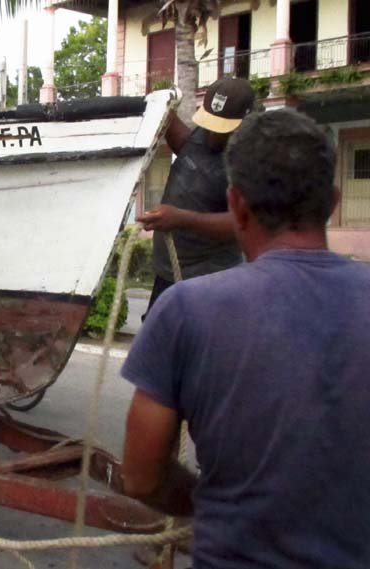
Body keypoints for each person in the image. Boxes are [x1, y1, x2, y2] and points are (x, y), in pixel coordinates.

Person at [120, 109, 370, 568]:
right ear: (333, 202)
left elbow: (139, 477)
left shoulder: (185, 311)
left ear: (235, 205)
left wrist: (215, 504)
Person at [137, 77, 255, 314]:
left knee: (200, 345)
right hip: (168, 272)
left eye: (221, 127)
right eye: (209, 122)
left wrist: (180, 219)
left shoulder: (249, 160)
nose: (212, 133)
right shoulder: (203, 137)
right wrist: (162, 106)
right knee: (159, 339)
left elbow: (242, 223)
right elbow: (183, 140)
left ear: (244, 122)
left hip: (211, 279)